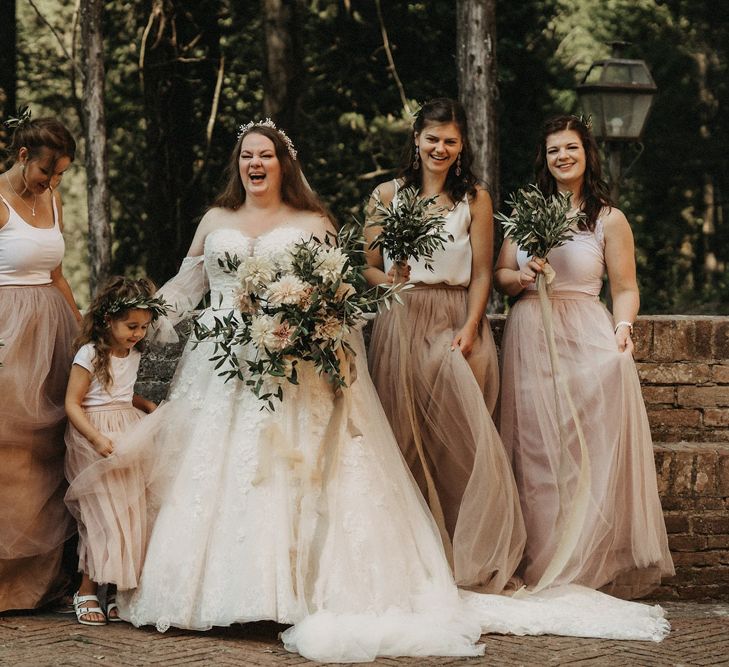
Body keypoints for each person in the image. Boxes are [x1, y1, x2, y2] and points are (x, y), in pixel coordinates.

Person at [72, 120, 672, 662]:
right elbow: (187, 282)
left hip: (290, 362)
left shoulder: (312, 223)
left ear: (285, 163)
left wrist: (307, 322)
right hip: (222, 366)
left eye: (267, 156)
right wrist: (141, 317)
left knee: (293, 473)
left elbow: (338, 290)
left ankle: (293, 591)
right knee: (216, 474)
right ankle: (210, 592)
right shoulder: (214, 220)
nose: (256, 164)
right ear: (240, 165)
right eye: (247, 156)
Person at [494, 114, 674, 598]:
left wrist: (623, 328)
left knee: (580, 452)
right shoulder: (525, 211)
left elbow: (627, 288)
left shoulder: (608, 219)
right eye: (554, 150)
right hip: (532, 331)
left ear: (586, 153)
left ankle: (583, 561)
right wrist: (523, 274)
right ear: (545, 158)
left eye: (570, 148)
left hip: (584, 330)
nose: (562, 157)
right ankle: (540, 561)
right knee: (534, 452)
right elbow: (500, 278)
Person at [364, 98, 525, 592]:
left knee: (460, 437)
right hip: (401, 317)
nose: (440, 148)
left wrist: (473, 326)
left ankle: (466, 551)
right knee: (403, 436)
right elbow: (365, 265)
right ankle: (409, 555)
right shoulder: (385, 195)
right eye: (432, 138)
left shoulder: (474, 198)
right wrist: (389, 281)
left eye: (450, 141)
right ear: (416, 139)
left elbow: (481, 273)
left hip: (456, 317)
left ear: (461, 147)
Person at [0, 111, 81, 612]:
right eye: (46, 173)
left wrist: (81, 330)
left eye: (60, 177)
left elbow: (57, 275)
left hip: (51, 330)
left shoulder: (51, 200)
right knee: (9, 451)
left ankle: (38, 582)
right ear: (22, 155)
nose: (51, 183)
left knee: (48, 451)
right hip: (8, 331)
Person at [63, 277, 163, 626]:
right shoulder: (89, 353)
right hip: (95, 438)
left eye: (143, 327)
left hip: (128, 434)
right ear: (108, 320)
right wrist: (95, 439)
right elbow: (73, 404)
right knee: (100, 518)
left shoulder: (131, 353)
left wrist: (144, 404)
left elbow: (120, 393)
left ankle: (117, 590)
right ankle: (86, 589)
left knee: (128, 514)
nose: (137, 333)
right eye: (131, 325)